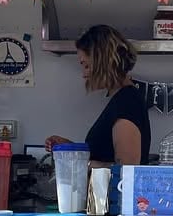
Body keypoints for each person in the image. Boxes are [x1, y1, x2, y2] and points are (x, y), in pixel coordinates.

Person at [45, 25, 150, 167]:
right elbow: (105, 155)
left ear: (103, 62)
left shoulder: (127, 103)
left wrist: (83, 163)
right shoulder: (121, 100)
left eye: (86, 65)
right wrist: (72, 149)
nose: (84, 74)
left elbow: (127, 170)